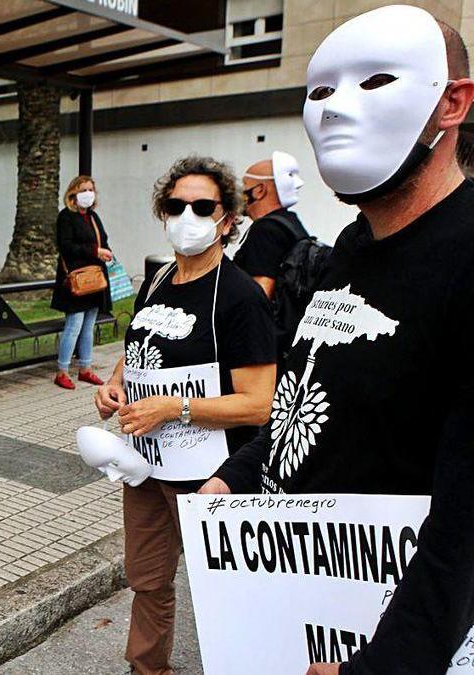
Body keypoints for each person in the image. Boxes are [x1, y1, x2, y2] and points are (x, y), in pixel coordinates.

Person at [203, 6, 474, 674]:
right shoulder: (353, 248)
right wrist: (235, 479)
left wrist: (391, 663)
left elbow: (468, 517)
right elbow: (309, 397)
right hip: (300, 606)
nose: (335, 110)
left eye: (375, 81)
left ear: (453, 104)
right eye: (321, 91)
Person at [94, 156, 277, 675]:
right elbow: (137, 350)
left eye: (203, 205)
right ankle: (147, 668)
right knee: (147, 578)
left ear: (227, 218)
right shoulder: (157, 281)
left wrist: (176, 408)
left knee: (229, 585)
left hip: (209, 474)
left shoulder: (240, 296)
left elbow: (260, 403)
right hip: (146, 465)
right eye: (177, 205)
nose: (188, 215)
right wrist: (114, 385)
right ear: (163, 213)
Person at [51, 175, 112, 389]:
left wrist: (106, 252)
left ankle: (85, 368)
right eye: (83, 189)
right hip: (76, 281)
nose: (88, 193)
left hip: (94, 280)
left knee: (88, 327)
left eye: (91, 189)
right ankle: (62, 371)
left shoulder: (93, 217)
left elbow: (103, 240)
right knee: (74, 326)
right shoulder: (66, 217)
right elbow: (66, 246)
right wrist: (95, 251)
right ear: (73, 193)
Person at [235, 150, 308, 300]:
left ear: (259, 191)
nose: (240, 192)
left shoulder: (265, 230)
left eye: (244, 184)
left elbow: (260, 293)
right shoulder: (290, 224)